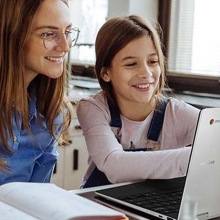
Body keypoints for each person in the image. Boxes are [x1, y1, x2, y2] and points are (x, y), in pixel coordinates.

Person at [76, 15, 200, 188]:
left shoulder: (178, 113)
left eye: (153, 61)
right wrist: (198, 157)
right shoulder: (92, 108)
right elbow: (114, 165)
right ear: (105, 73)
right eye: (131, 64)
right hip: (98, 205)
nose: (146, 73)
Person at [0, 0, 80, 184]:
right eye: (49, 34)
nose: (65, 46)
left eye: (67, 32)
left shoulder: (51, 112)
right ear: (12, 36)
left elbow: (37, 196)